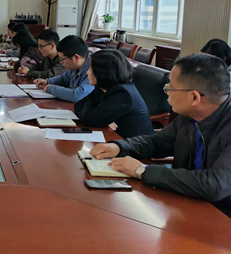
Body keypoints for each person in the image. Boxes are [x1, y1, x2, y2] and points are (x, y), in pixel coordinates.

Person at [90, 54, 231, 217]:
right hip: (183, 204)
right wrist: (118, 146)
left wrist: (143, 171)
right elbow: (156, 143)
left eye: (171, 87)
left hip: (220, 218)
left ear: (194, 97)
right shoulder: (189, 116)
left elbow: (214, 185)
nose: (167, 92)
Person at [74, 49, 154, 138]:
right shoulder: (104, 87)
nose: (87, 72)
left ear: (102, 72)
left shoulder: (122, 94)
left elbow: (88, 119)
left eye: (90, 69)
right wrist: (103, 118)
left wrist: (97, 112)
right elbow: (78, 106)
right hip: (117, 136)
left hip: (135, 143)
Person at [36, 35, 94, 102]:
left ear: (76, 57)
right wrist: (47, 82)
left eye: (62, 59)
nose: (61, 62)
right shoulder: (76, 66)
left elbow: (77, 95)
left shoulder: (94, 68)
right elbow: (64, 78)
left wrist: (51, 88)